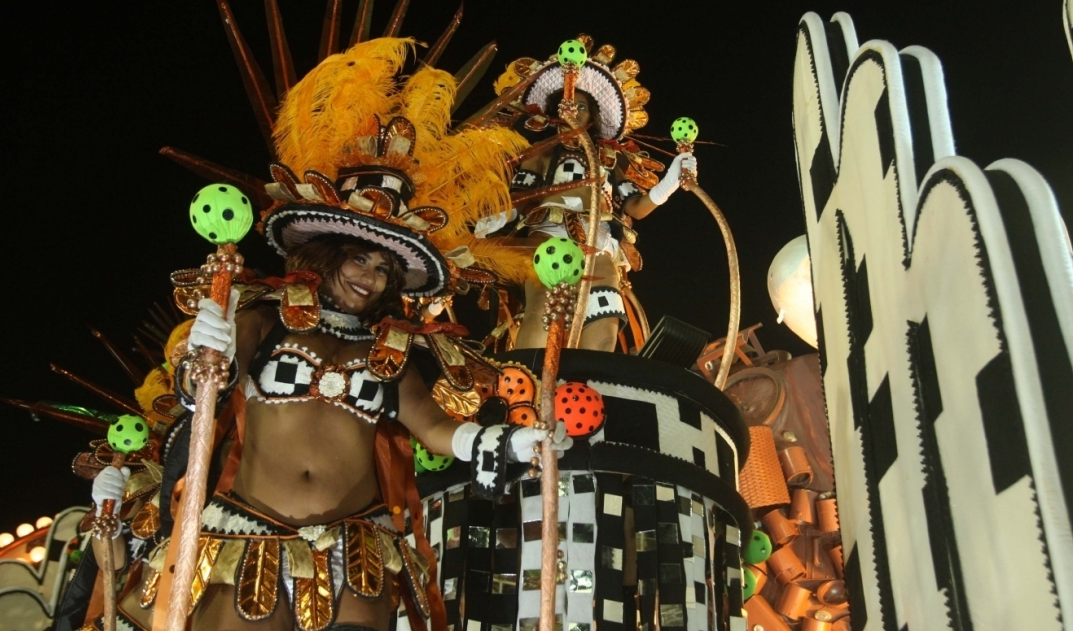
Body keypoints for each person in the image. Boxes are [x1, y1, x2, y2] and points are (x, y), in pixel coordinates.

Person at [109, 37, 563, 631]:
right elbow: (206, 396)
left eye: (383, 270)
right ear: (326, 253)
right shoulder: (261, 319)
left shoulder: (390, 349)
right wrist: (207, 353)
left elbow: (431, 428)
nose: (369, 279)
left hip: (358, 549)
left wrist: (502, 444)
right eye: (358, 259)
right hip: (247, 536)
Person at [482, 40, 698, 352]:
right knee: (545, 307)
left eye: (582, 106)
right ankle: (527, 390)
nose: (572, 109)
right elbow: (520, 196)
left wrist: (669, 183)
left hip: (600, 242)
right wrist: (498, 215)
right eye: (567, 104)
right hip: (548, 234)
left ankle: (587, 387)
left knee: (605, 315)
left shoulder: (610, 161)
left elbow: (636, 208)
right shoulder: (540, 154)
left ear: (592, 118)